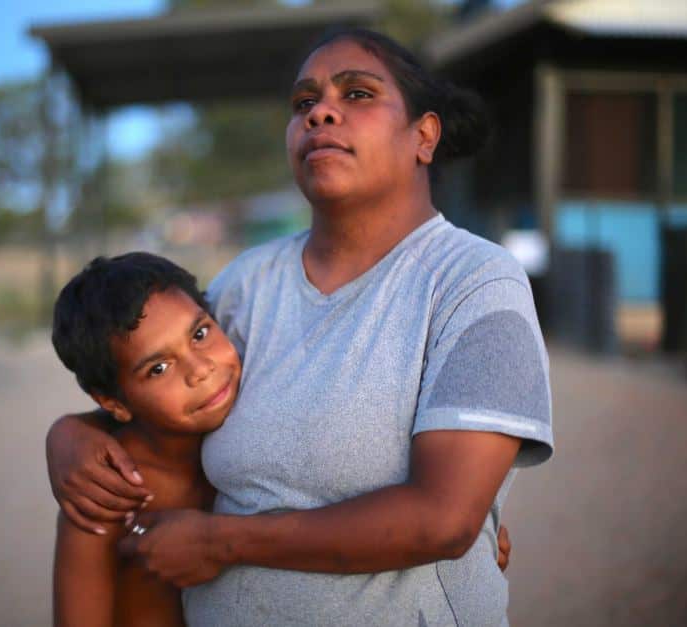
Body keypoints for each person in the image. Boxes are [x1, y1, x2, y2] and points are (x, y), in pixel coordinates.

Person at [46, 28, 553, 626]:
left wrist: (221, 542)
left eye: (357, 93)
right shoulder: (246, 284)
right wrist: (72, 435)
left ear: (424, 135)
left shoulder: (474, 283)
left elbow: (442, 521)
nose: (320, 113)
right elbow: (161, 389)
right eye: (303, 102)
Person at [50, 253, 242, 626]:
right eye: (159, 368)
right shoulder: (107, 491)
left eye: (199, 334)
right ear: (113, 403)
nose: (201, 370)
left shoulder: (253, 421)